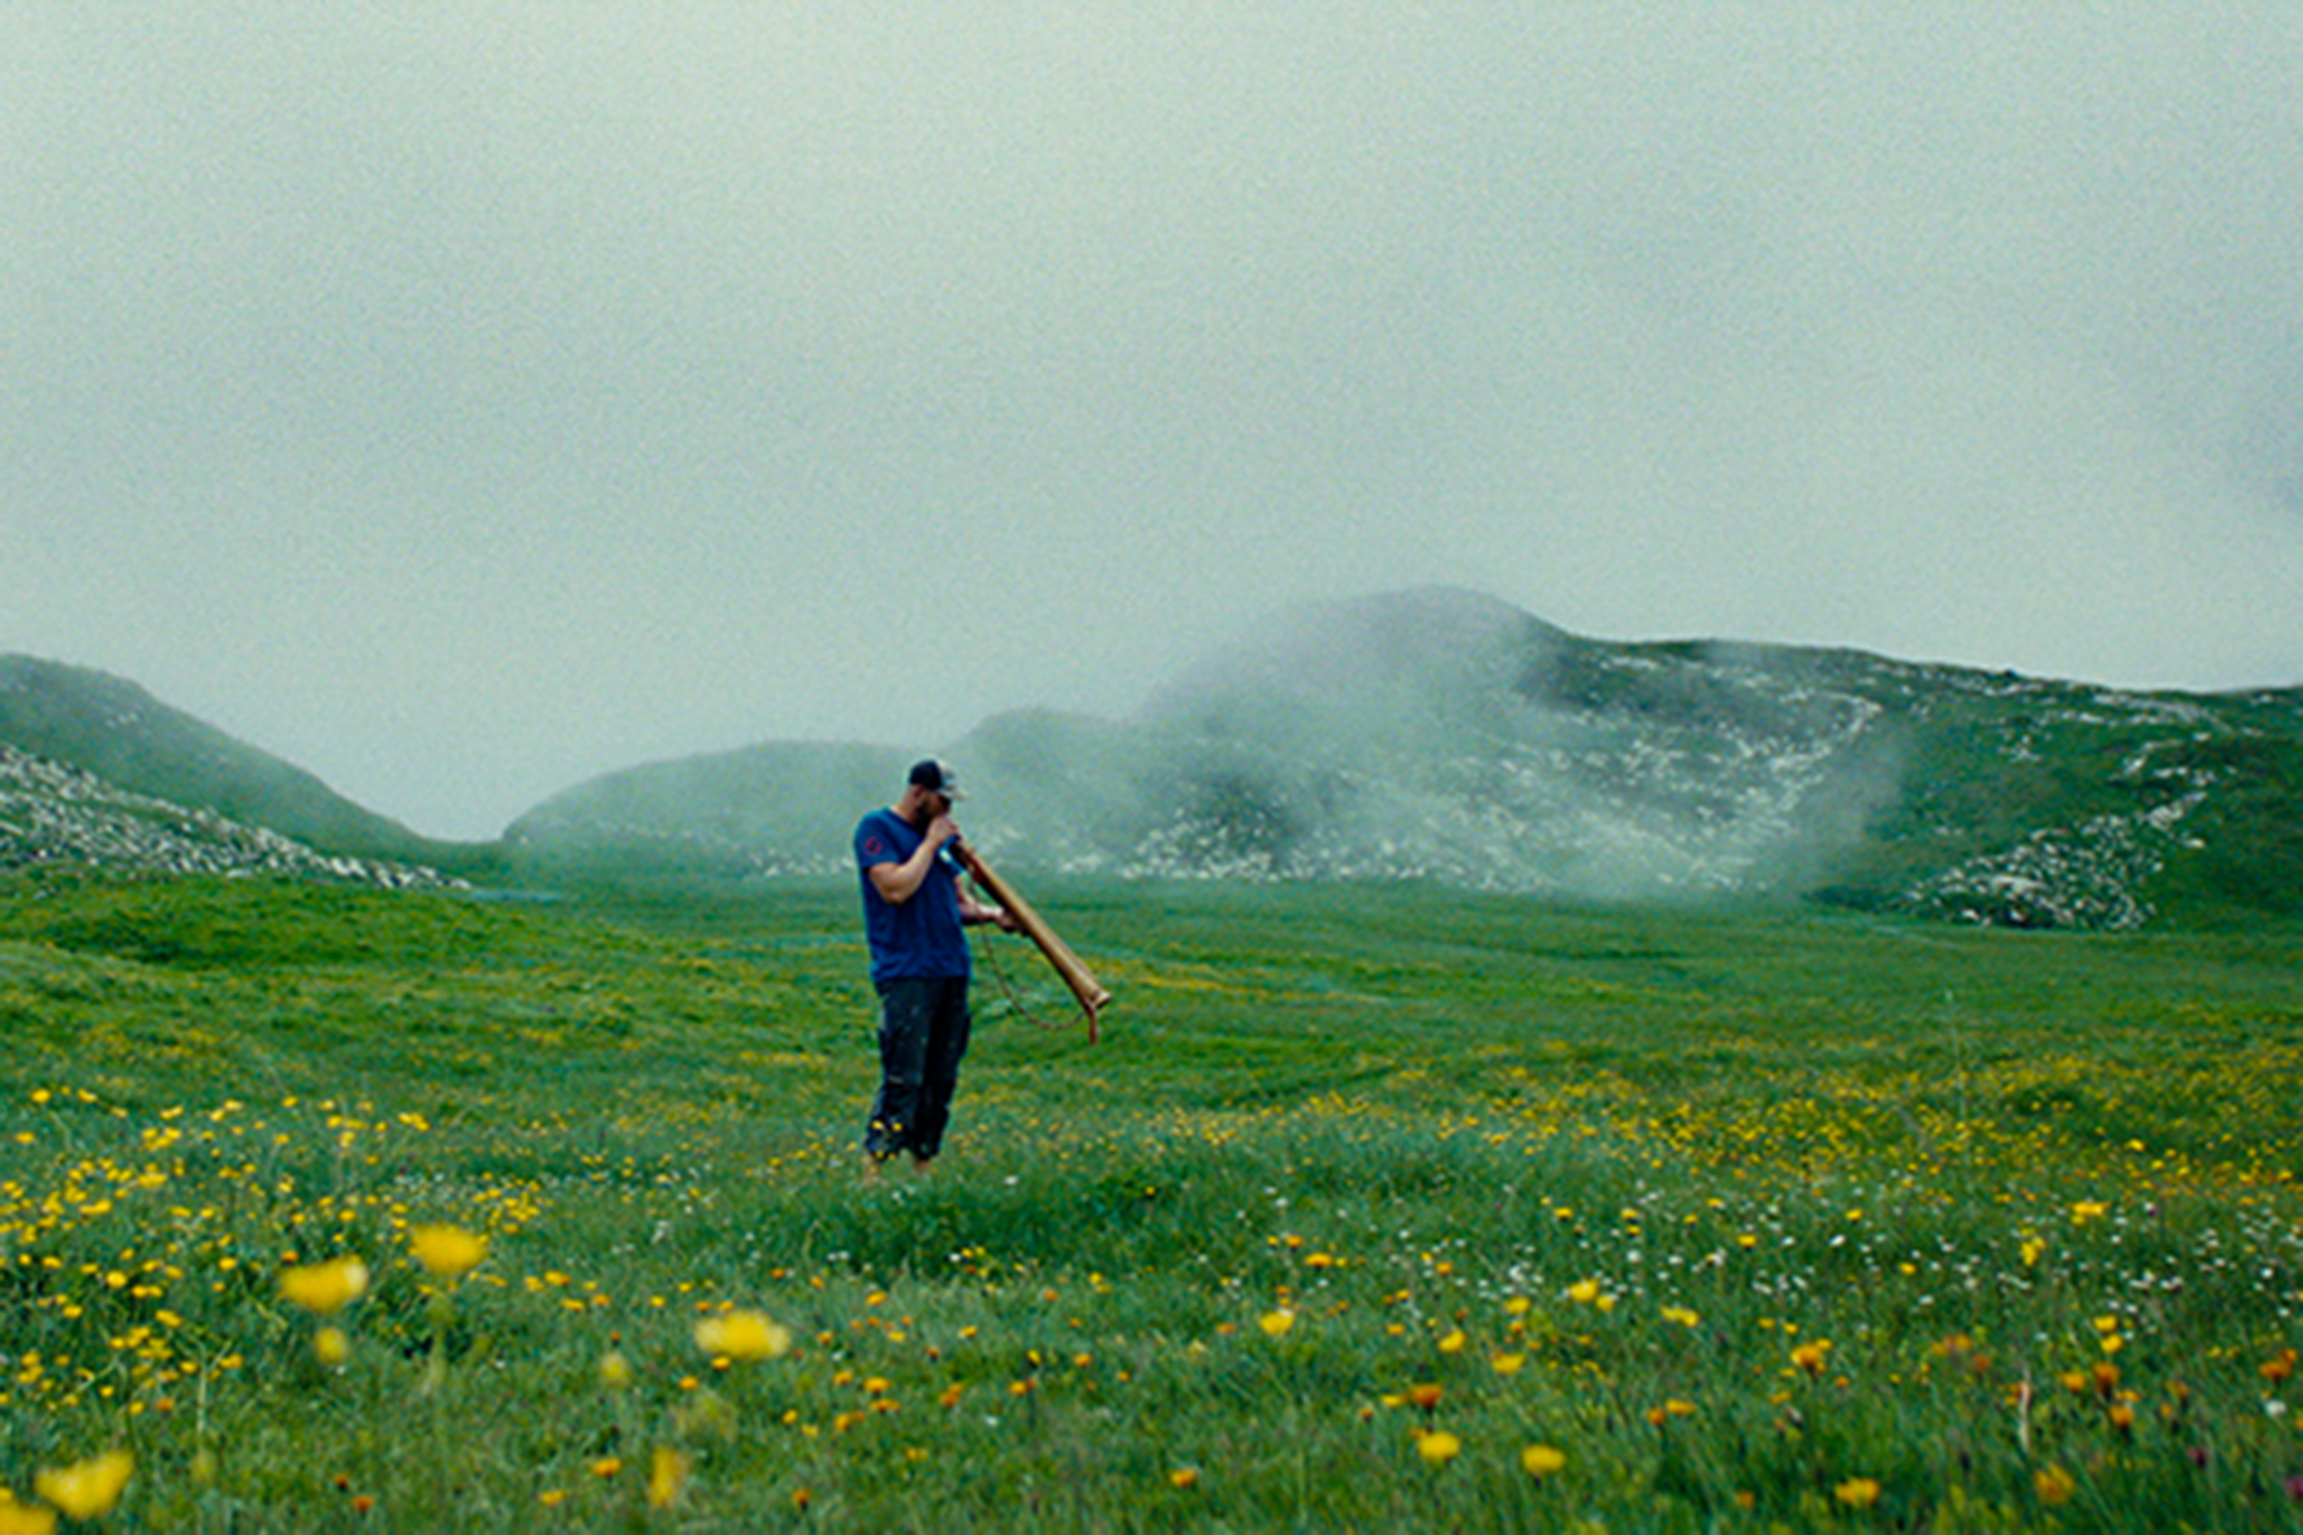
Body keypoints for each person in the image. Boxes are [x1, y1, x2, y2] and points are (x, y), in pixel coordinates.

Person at [853, 757, 1016, 1174]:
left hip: (951, 968)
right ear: (918, 793)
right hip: (907, 970)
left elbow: (958, 905)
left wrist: (995, 915)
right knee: (903, 1076)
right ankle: (875, 1171)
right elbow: (894, 889)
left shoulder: (942, 847)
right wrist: (929, 845)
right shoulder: (877, 829)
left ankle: (922, 1171)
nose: (949, 812)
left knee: (939, 1078)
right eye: (943, 802)